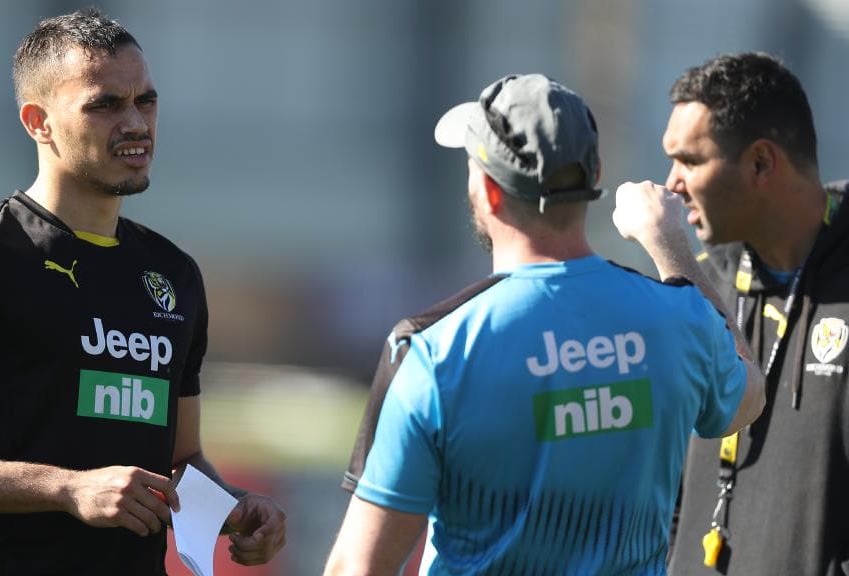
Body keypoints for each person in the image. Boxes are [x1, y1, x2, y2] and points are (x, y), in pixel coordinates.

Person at [0, 9, 285, 575]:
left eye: (146, 101)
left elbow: (179, 460)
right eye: (105, 104)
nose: (136, 122)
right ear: (39, 121)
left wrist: (228, 507)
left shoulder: (173, 275)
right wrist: (66, 488)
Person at [323, 73, 764, 575]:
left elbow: (359, 568)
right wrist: (671, 245)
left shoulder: (434, 352)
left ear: (489, 192)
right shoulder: (678, 319)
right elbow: (747, 397)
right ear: (595, 172)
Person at [638, 52, 849, 576]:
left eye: (689, 160)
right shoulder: (701, 289)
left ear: (760, 163)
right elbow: (666, 495)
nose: (671, 184)